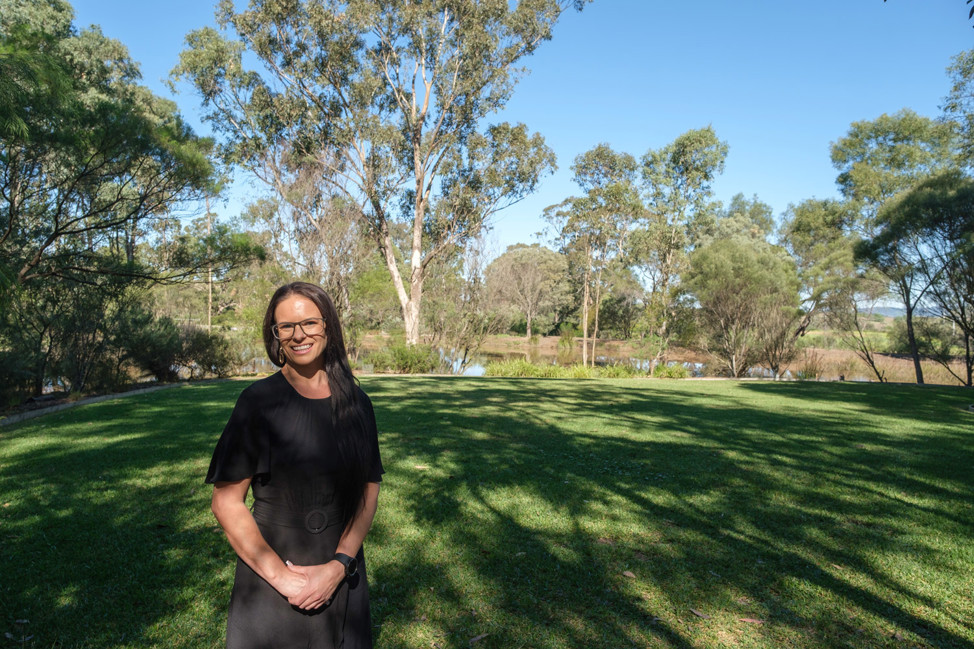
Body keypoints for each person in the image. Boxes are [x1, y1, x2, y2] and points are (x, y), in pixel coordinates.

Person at [205, 282, 383, 649]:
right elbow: (226, 502)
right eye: (285, 326)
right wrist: (286, 581)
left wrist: (339, 565)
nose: (298, 335)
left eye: (309, 323)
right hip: (274, 579)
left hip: (343, 573)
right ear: (275, 335)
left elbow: (368, 488)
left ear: (328, 327)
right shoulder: (258, 403)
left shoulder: (357, 403)